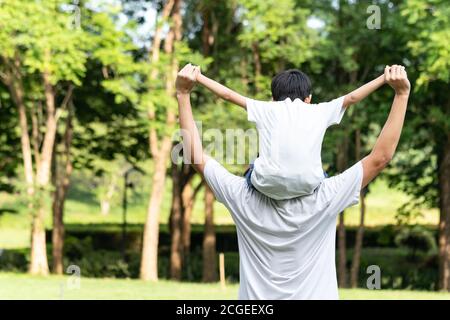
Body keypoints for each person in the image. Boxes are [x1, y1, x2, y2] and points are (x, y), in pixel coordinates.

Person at [175, 64, 410, 299]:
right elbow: (381, 157)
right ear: (308, 100)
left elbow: (195, 155)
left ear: (273, 100)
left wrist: (183, 94)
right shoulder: (326, 198)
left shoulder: (241, 198)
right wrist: (400, 94)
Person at [195, 66, 389, 200]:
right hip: (308, 185)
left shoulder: (266, 108)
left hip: (266, 184)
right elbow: (353, 97)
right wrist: (384, 78)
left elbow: (228, 95)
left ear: (273, 98)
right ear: (308, 98)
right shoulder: (319, 109)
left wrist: (198, 77)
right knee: (323, 174)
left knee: (253, 164)